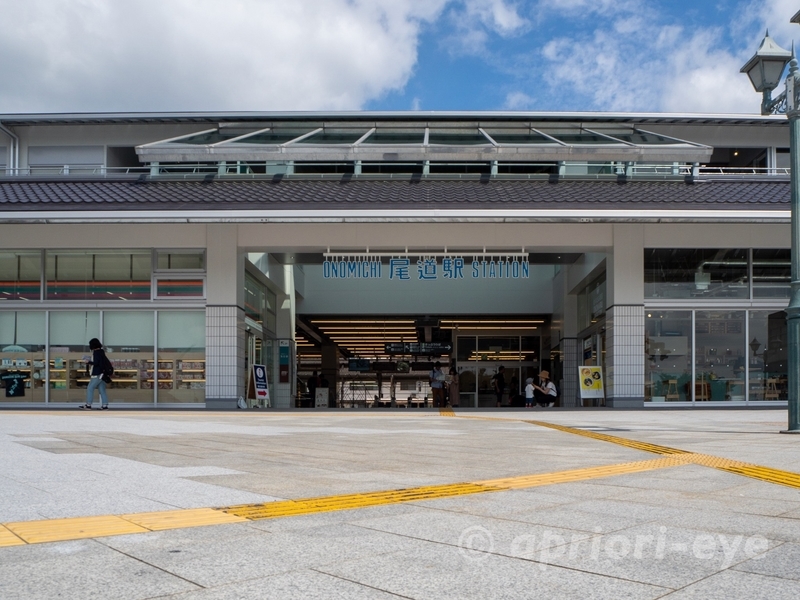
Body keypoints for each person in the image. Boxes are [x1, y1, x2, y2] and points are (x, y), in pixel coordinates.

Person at [79, 338, 109, 410]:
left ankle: (88, 404)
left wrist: (88, 362)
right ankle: (105, 405)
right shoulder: (101, 352)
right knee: (102, 390)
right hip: (102, 374)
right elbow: (100, 362)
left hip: (97, 374)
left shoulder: (96, 352)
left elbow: (96, 363)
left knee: (90, 388)